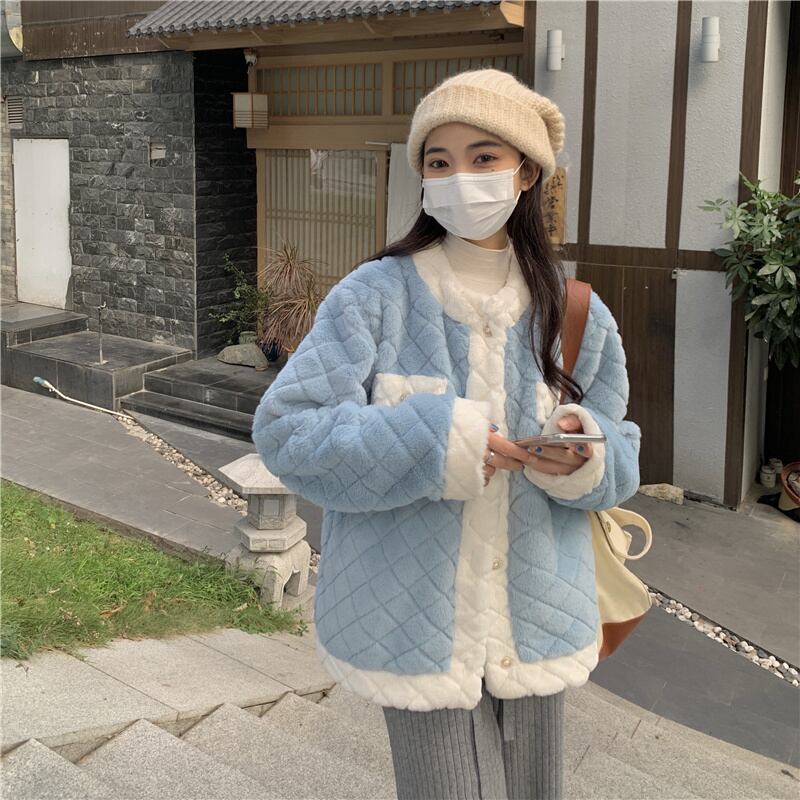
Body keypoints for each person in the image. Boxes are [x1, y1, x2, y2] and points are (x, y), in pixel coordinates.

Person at [252, 68, 642, 800]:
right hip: (410, 623)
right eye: (439, 161)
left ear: (525, 171)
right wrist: (440, 441)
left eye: (483, 156)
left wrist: (583, 452)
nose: (460, 177)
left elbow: (622, 455)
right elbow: (288, 431)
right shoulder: (374, 296)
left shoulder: (575, 312)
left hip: (537, 613)